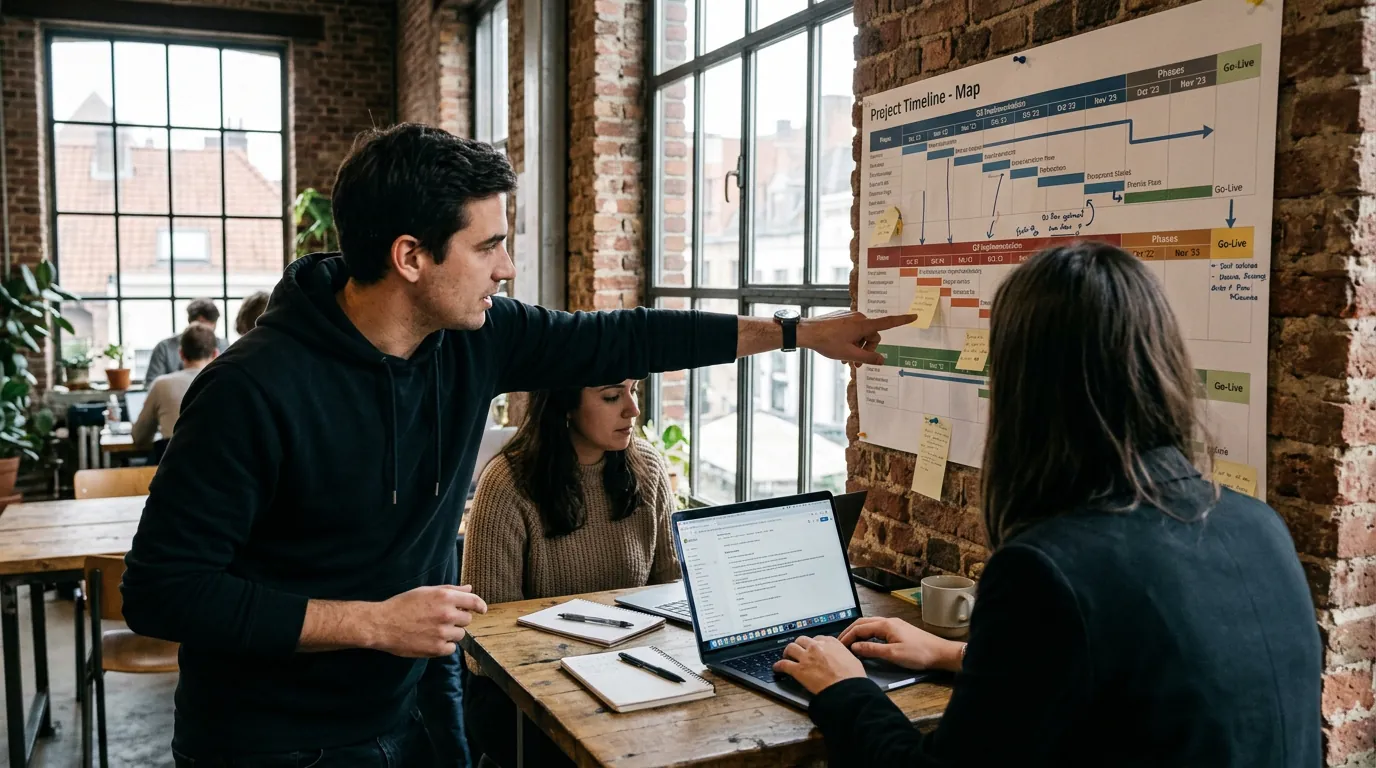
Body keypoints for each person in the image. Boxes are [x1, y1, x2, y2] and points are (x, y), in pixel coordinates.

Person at [120, 123, 912, 767]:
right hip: (272, 740)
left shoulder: (475, 336)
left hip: (419, 708)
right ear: (410, 256)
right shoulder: (251, 390)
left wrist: (797, 333)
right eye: (489, 245)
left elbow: (624, 334)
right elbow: (161, 591)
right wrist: (370, 623)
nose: (507, 269)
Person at [773, 242, 1322, 767]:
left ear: (1023, 385)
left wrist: (844, 687)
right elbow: (1134, 677)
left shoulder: (1046, 570)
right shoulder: (1257, 524)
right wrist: (956, 655)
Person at [461, 380, 675, 766]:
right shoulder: (507, 484)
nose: (632, 410)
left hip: (634, 676)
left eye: (635, 391)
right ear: (565, 406)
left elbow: (672, 594)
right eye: (612, 396)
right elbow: (483, 649)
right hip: (529, 695)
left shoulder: (648, 466)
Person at [131, 324, 219, 450]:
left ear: (181, 353)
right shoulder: (227, 383)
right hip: (218, 464)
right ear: (216, 353)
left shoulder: (161, 384)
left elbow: (139, 436)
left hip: (173, 464)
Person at [144, 298, 228, 382]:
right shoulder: (164, 348)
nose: (205, 335)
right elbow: (151, 383)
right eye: (201, 325)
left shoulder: (223, 346)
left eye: (212, 327)